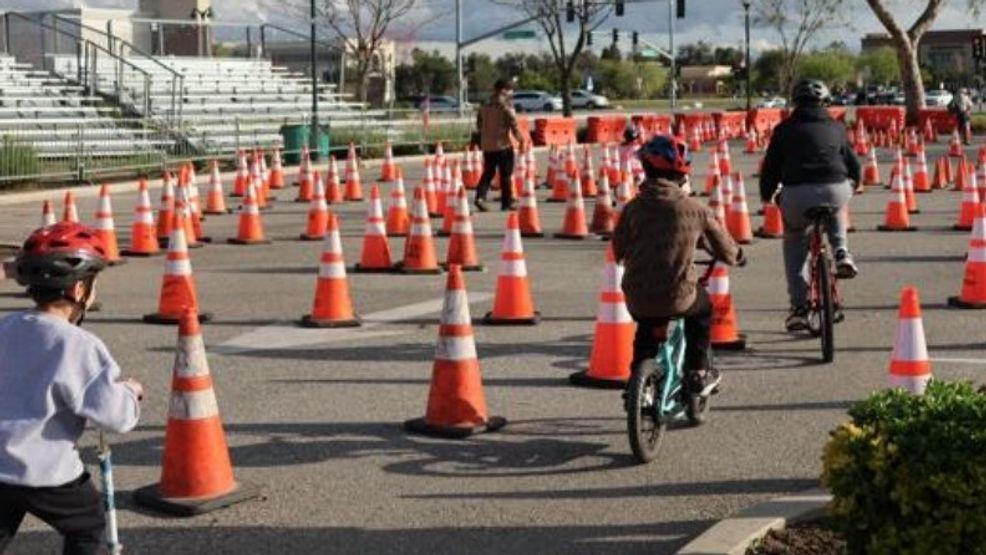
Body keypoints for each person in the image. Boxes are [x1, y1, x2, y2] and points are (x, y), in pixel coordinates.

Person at [0, 222, 143, 555]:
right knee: (88, 525)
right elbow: (115, 416)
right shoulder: (78, 345)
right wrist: (130, 393)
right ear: (80, 290)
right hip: (46, 473)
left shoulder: (6, 327)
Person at [612, 135, 743, 396]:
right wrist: (738, 257)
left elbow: (618, 250)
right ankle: (698, 372)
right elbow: (725, 248)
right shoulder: (696, 209)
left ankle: (638, 386)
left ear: (645, 169)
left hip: (637, 295)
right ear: (683, 174)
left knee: (647, 329)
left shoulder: (632, 209)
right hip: (678, 294)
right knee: (702, 311)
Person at [759, 79, 861, 332]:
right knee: (837, 205)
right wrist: (856, 182)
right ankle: (841, 251)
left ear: (795, 102)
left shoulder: (783, 130)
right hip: (835, 189)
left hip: (796, 194)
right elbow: (853, 164)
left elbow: (770, 168)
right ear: (825, 102)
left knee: (794, 244)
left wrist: (767, 195)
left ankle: (799, 309)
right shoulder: (837, 127)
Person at [473, 78, 526, 212]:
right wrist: (521, 140)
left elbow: (479, 124)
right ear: (503, 90)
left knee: (488, 172)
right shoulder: (506, 105)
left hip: (487, 145)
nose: (511, 93)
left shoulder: (484, 105)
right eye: (510, 90)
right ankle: (506, 203)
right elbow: (513, 124)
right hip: (503, 145)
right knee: (505, 175)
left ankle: (480, 197)